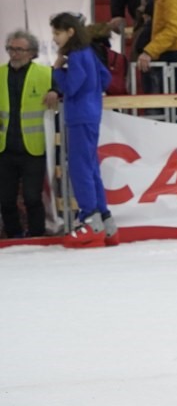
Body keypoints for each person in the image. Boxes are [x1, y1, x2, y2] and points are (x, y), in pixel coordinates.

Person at [50, 13, 115, 248]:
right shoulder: (88, 52)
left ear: (70, 32)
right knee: (91, 167)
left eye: (57, 33)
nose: (55, 38)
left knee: (79, 168)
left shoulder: (76, 55)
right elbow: (105, 78)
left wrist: (58, 69)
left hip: (78, 116)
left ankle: (89, 220)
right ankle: (106, 222)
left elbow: (71, 87)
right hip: (92, 113)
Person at [1, 29, 58, 238]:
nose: (13, 54)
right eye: (10, 49)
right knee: (5, 199)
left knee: (33, 197)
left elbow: (65, 85)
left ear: (31, 52)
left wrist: (56, 91)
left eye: (19, 49)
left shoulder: (46, 74)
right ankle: (13, 235)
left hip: (33, 146)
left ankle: (37, 235)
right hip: (4, 147)